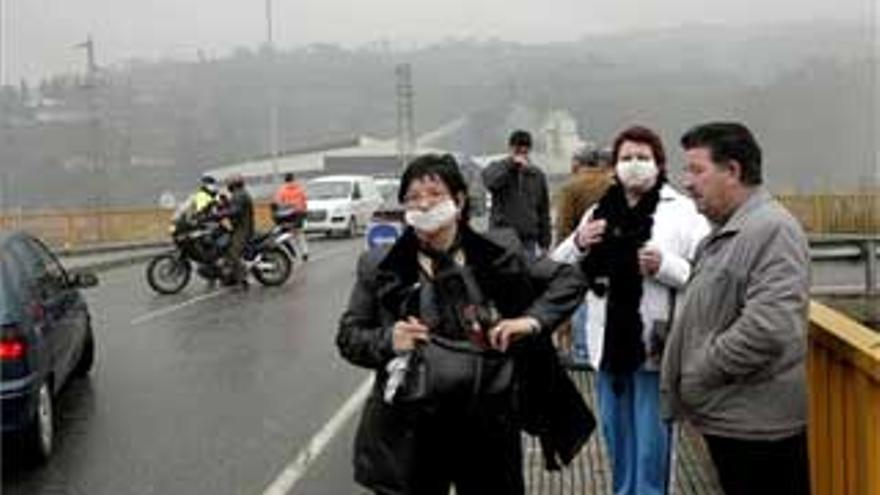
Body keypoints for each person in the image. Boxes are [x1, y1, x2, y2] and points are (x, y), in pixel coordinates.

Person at [337, 154, 593, 495]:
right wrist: (388, 339)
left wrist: (529, 322)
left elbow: (568, 279)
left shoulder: (498, 253)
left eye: (434, 193)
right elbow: (349, 336)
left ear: (458, 201)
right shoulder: (380, 265)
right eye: (413, 197)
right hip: (413, 428)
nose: (423, 203)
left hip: (488, 423)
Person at [552, 126, 709, 495]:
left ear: (659, 163)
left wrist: (664, 266)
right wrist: (577, 240)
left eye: (643, 157)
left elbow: (705, 276)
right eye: (626, 158)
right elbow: (557, 268)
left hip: (656, 346)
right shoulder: (598, 210)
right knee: (616, 439)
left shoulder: (683, 212)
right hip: (608, 347)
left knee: (653, 447)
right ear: (614, 166)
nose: (634, 165)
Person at [660, 122, 811, 495]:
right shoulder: (727, 232)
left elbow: (770, 328)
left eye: (697, 170)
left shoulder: (773, 230)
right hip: (733, 418)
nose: (688, 182)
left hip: (758, 429)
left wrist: (699, 371)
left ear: (733, 171)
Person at [554, 144, 614, 366]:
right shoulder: (614, 185)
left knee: (580, 308)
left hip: (580, 257)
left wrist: (560, 260)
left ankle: (582, 355)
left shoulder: (571, 188)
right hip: (611, 262)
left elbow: (563, 227)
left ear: (577, 163)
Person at [482, 130, 551, 260]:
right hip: (502, 239)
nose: (521, 155)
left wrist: (545, 243)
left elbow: (543, 211)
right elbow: (490, 182)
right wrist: (511, 165)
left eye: (525, 151)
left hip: (528, 241)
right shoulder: (497, 168)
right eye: (517, 150)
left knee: (527, 277)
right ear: (510, 148)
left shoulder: (537, 175)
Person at [222, 174, 254, 287]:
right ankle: (230, 276)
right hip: (239, 227)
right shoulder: (238, 194)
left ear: (234, 184)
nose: (228, 186)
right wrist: (224, 203)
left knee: (233, 252)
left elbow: (235, 211)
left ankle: (244, 277)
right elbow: (232, 207)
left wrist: (218, 214)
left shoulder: (240, 194)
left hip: (243, 229)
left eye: (229, 183)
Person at [273, 172, 309, 261]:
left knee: (287, 235)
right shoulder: (299, 189)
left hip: (287, 216)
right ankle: (304, 253)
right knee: (299, 234)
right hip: (299, 215)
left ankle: (293, 253)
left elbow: (278, 203)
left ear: (285, 180)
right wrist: (304, 213)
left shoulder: (282, 191)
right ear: (293, 179)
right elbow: (304, 202)